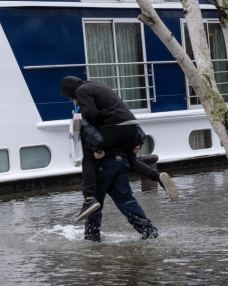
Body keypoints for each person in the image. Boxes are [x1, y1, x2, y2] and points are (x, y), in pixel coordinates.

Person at [59, 76, 178, 222]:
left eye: (70, 97)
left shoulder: (81, 91)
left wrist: (78, 112)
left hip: (116, 128)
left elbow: (91, 114)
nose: (72, 99)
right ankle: (156, 176)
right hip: (132, 127)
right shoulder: (98, 86)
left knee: (88, 155)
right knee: (132, 160)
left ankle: (89, 200)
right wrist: (139, 141)